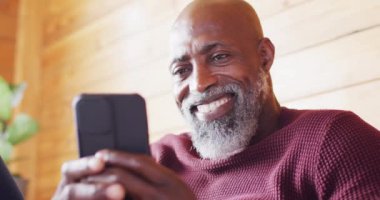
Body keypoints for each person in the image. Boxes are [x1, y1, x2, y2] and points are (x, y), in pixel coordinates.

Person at [53, 0, 380, 199]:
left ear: (264, 56)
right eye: (181, 70)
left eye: (220, 57)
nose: (199, 83)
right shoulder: (156, 163)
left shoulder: (334, 141)